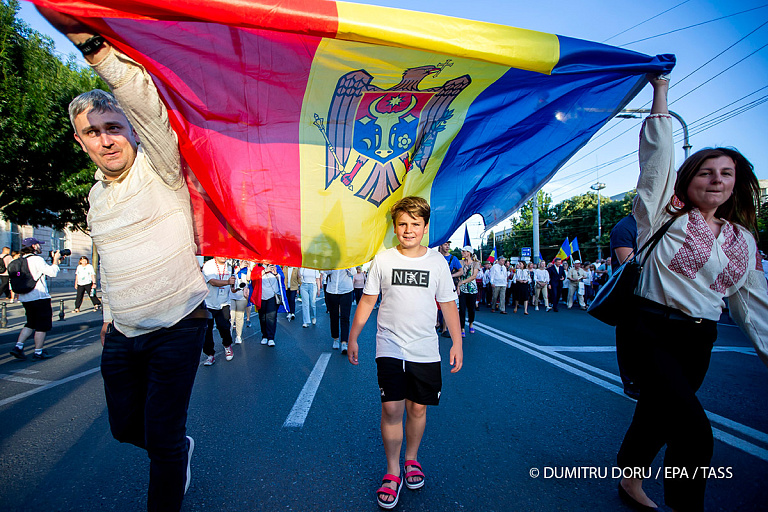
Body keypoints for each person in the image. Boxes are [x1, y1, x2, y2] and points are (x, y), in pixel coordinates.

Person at [36, 9, 212, 511]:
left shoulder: (160, 167)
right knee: (123, 429)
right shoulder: (95, 197)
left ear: (130, 129)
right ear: (80, 141)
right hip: (123, 332)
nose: (106, 139)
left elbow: (146, 102)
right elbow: (108, 261)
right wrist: (110, 319)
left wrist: (94, 49)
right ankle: (179, 451)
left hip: (179, 321)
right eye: (93, 133)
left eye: (113, 126)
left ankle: (171, 460)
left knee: (160, 438)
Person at [616, 75, 768, 512]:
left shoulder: (743, 240)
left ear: (737, 184)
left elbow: (754, 309)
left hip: (699, 340)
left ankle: (627, 477)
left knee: (658, 416)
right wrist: (659, 90)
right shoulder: (663, 212)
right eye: (706, 172)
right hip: (649, 331)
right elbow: (657, 159)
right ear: (687, 179)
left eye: (726, 174)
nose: (716, 180)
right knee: (694, 433)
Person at [347, 196, 462, 509]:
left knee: (418, 409)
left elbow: (448, 304)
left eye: (415, 224)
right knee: (392, 410)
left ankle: (412, 459)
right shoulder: (383, 260)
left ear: (425, 228)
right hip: (389, 346)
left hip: (425, 350)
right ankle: (393, 470)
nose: (408, 229)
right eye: (403, 224)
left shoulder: (437, 262)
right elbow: (368, 301)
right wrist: (353, 336)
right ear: (395, 227)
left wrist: (457, 341)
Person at [9, 238, 61, 360]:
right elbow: (52, 273)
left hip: (25, 297)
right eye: (38, 244)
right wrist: (56, 260)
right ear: (33, 246)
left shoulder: (19, 261)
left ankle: (18, 347)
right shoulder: (37, 259)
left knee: (30, 323)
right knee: (42, 326)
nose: (40, 246)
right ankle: (38, 352)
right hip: (39, 297)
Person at [201, 257, 235, 364]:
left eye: (225, 254)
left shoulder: (230, 266)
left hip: (224, 302)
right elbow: (212, 282)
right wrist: (228, 282)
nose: (224, 256)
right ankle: (210, 354)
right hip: (208, 303)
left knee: (224, 326)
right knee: (207, 330)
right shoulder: (208, 265)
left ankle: (227, 345)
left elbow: (232, 286)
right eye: (221, 253)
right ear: (215, 254)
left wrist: (238, 287)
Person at [325, 268, 354, 354]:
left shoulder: (348, 257)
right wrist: (332, 265)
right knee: (333, 316)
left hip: (346, 290)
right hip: (332, 290)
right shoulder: (330, 257)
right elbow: (326, 271)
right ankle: (336, 338)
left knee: (345, 316)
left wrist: (348, 267)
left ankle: (344, 342)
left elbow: (353, 273)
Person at [457, 246, 479, 336]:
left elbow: (474, 276)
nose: (462, 253)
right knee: (462, 309)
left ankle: (471, 323)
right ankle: (462, 327)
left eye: (464, 251)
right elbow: (458, 273)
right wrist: (458, 285)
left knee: (471, 308)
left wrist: (462, 282)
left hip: (472, 289)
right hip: (462, 289)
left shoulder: (475, 263)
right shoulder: (460, 262)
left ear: (469, 253)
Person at [257, 263, 281, 346]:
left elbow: (282, 279)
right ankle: (264, 336)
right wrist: (264, 271)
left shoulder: (276, 266)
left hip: (272, 296)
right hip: (261, 296)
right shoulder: (257, 266)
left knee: (271, 317)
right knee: (262, 317)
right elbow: (253, 278)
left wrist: (276, 274)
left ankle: (271, 337)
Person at [230, 261, 250, 344]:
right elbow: (229, 277)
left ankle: (238, 336)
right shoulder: (232, 266)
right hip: (231, 295)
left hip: (242, 295)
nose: (243, 262)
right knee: (231, 317)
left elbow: (248, 279)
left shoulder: (247, 269)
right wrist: (238, 269)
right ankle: (229, 336)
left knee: (239, 317)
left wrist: (248, 268)